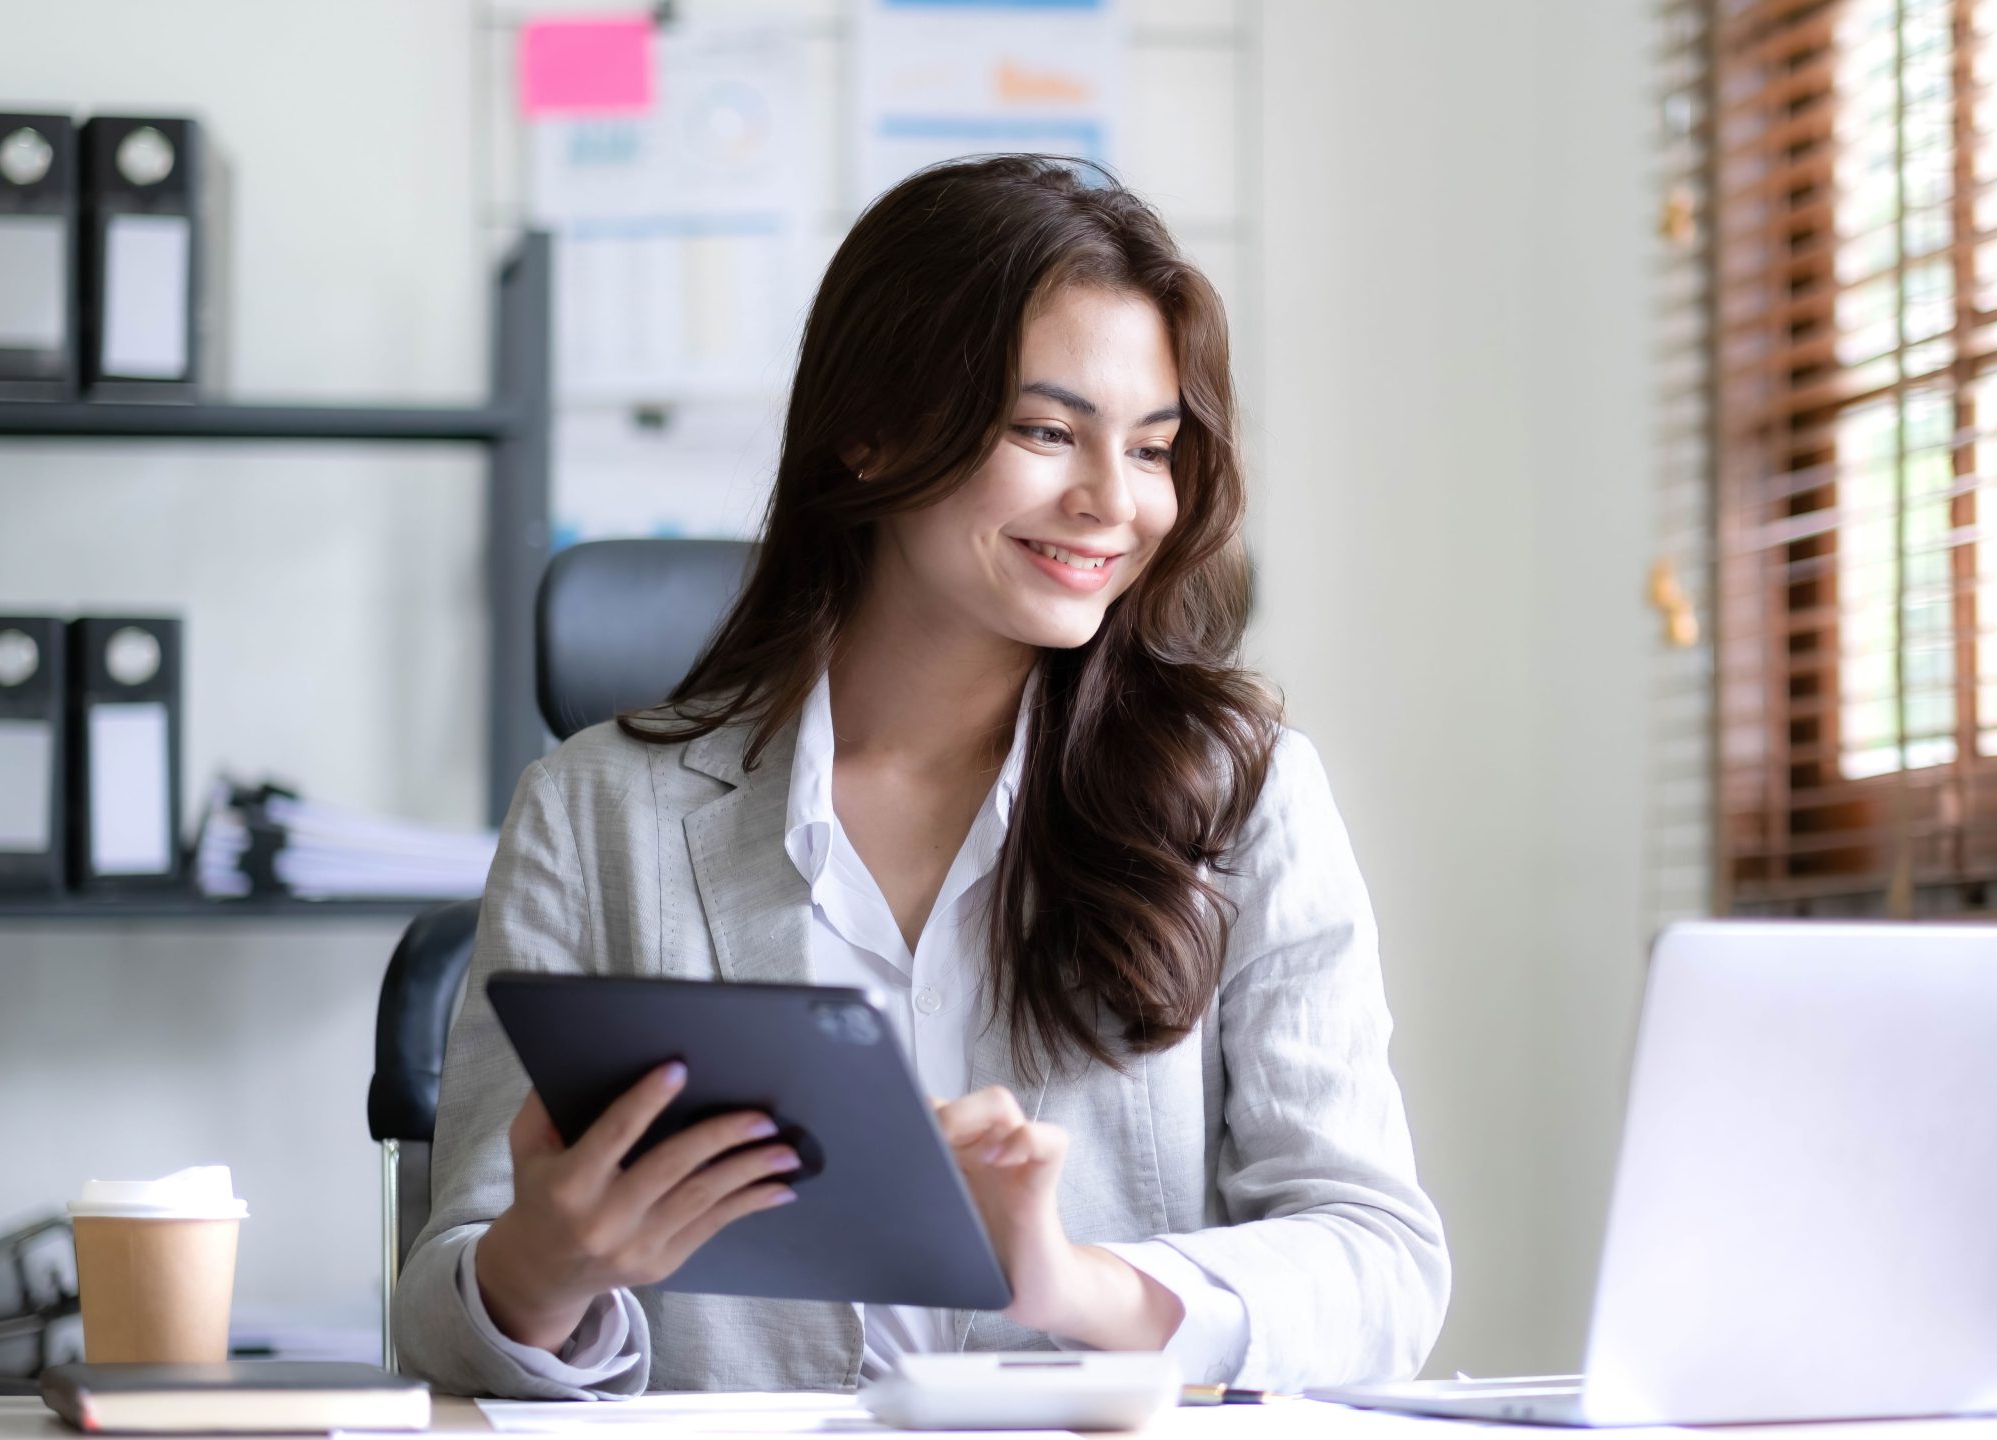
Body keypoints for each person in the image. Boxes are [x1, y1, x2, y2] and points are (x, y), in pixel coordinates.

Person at [391, 155, 1450, 1399]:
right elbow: (438, 1308)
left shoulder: (1242, 795)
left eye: (1154, 449)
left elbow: (1381, 1267)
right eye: (1047, 432)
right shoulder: (594, 815)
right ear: (870, 430)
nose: (1115, 502)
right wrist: (539, 1269)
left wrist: (1075, 1284)